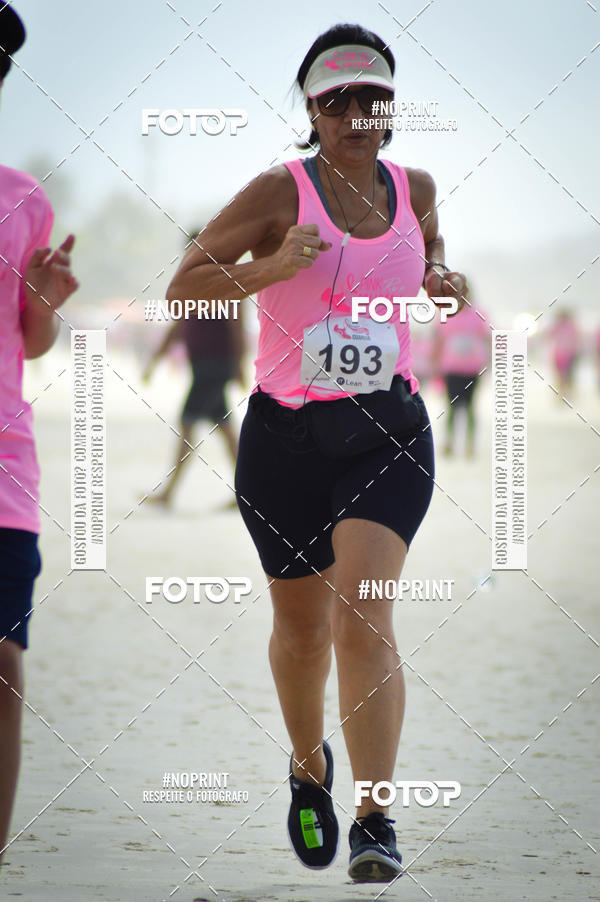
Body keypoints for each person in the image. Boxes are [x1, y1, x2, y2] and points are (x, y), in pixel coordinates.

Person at [166, 23, 466, 882]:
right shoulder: (276, 191)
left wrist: (438, 279)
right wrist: (266, 270)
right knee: (301, 634)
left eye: (371, 98)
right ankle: (309, 770)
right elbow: (184, 283)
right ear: (310, 108)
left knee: (363, 616)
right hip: (285, 438)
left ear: (390, 107)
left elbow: (427, 249)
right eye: (336, 100)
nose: (355, 115)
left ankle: (376, 818)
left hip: (387, 433)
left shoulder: (416, 186)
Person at [0, 3, 79, 865]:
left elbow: (30, 336)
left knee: (1, 666)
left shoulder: (22, 199)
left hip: (4, 465)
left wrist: (48, 299)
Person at [143, 231, 245, 506]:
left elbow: (237, 326)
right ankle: (246, 494)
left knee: (187, 423)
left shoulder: (224, 280)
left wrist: (239, 365)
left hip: (215, 367)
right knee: (225, 429)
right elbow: (180, 325)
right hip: (203, 367)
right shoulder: (191, 281)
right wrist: (154, 360)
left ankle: (169, 493)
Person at [433, 293, 489, 457]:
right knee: (451, 407)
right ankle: (449, 442)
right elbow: (439, 341)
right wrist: (436, 364)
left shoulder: (478, 314)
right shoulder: (446, 314)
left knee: (471, 407)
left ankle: (469, 445)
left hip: (472, 368)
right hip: (452, 368)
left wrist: (488, 361)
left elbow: (486, 338)